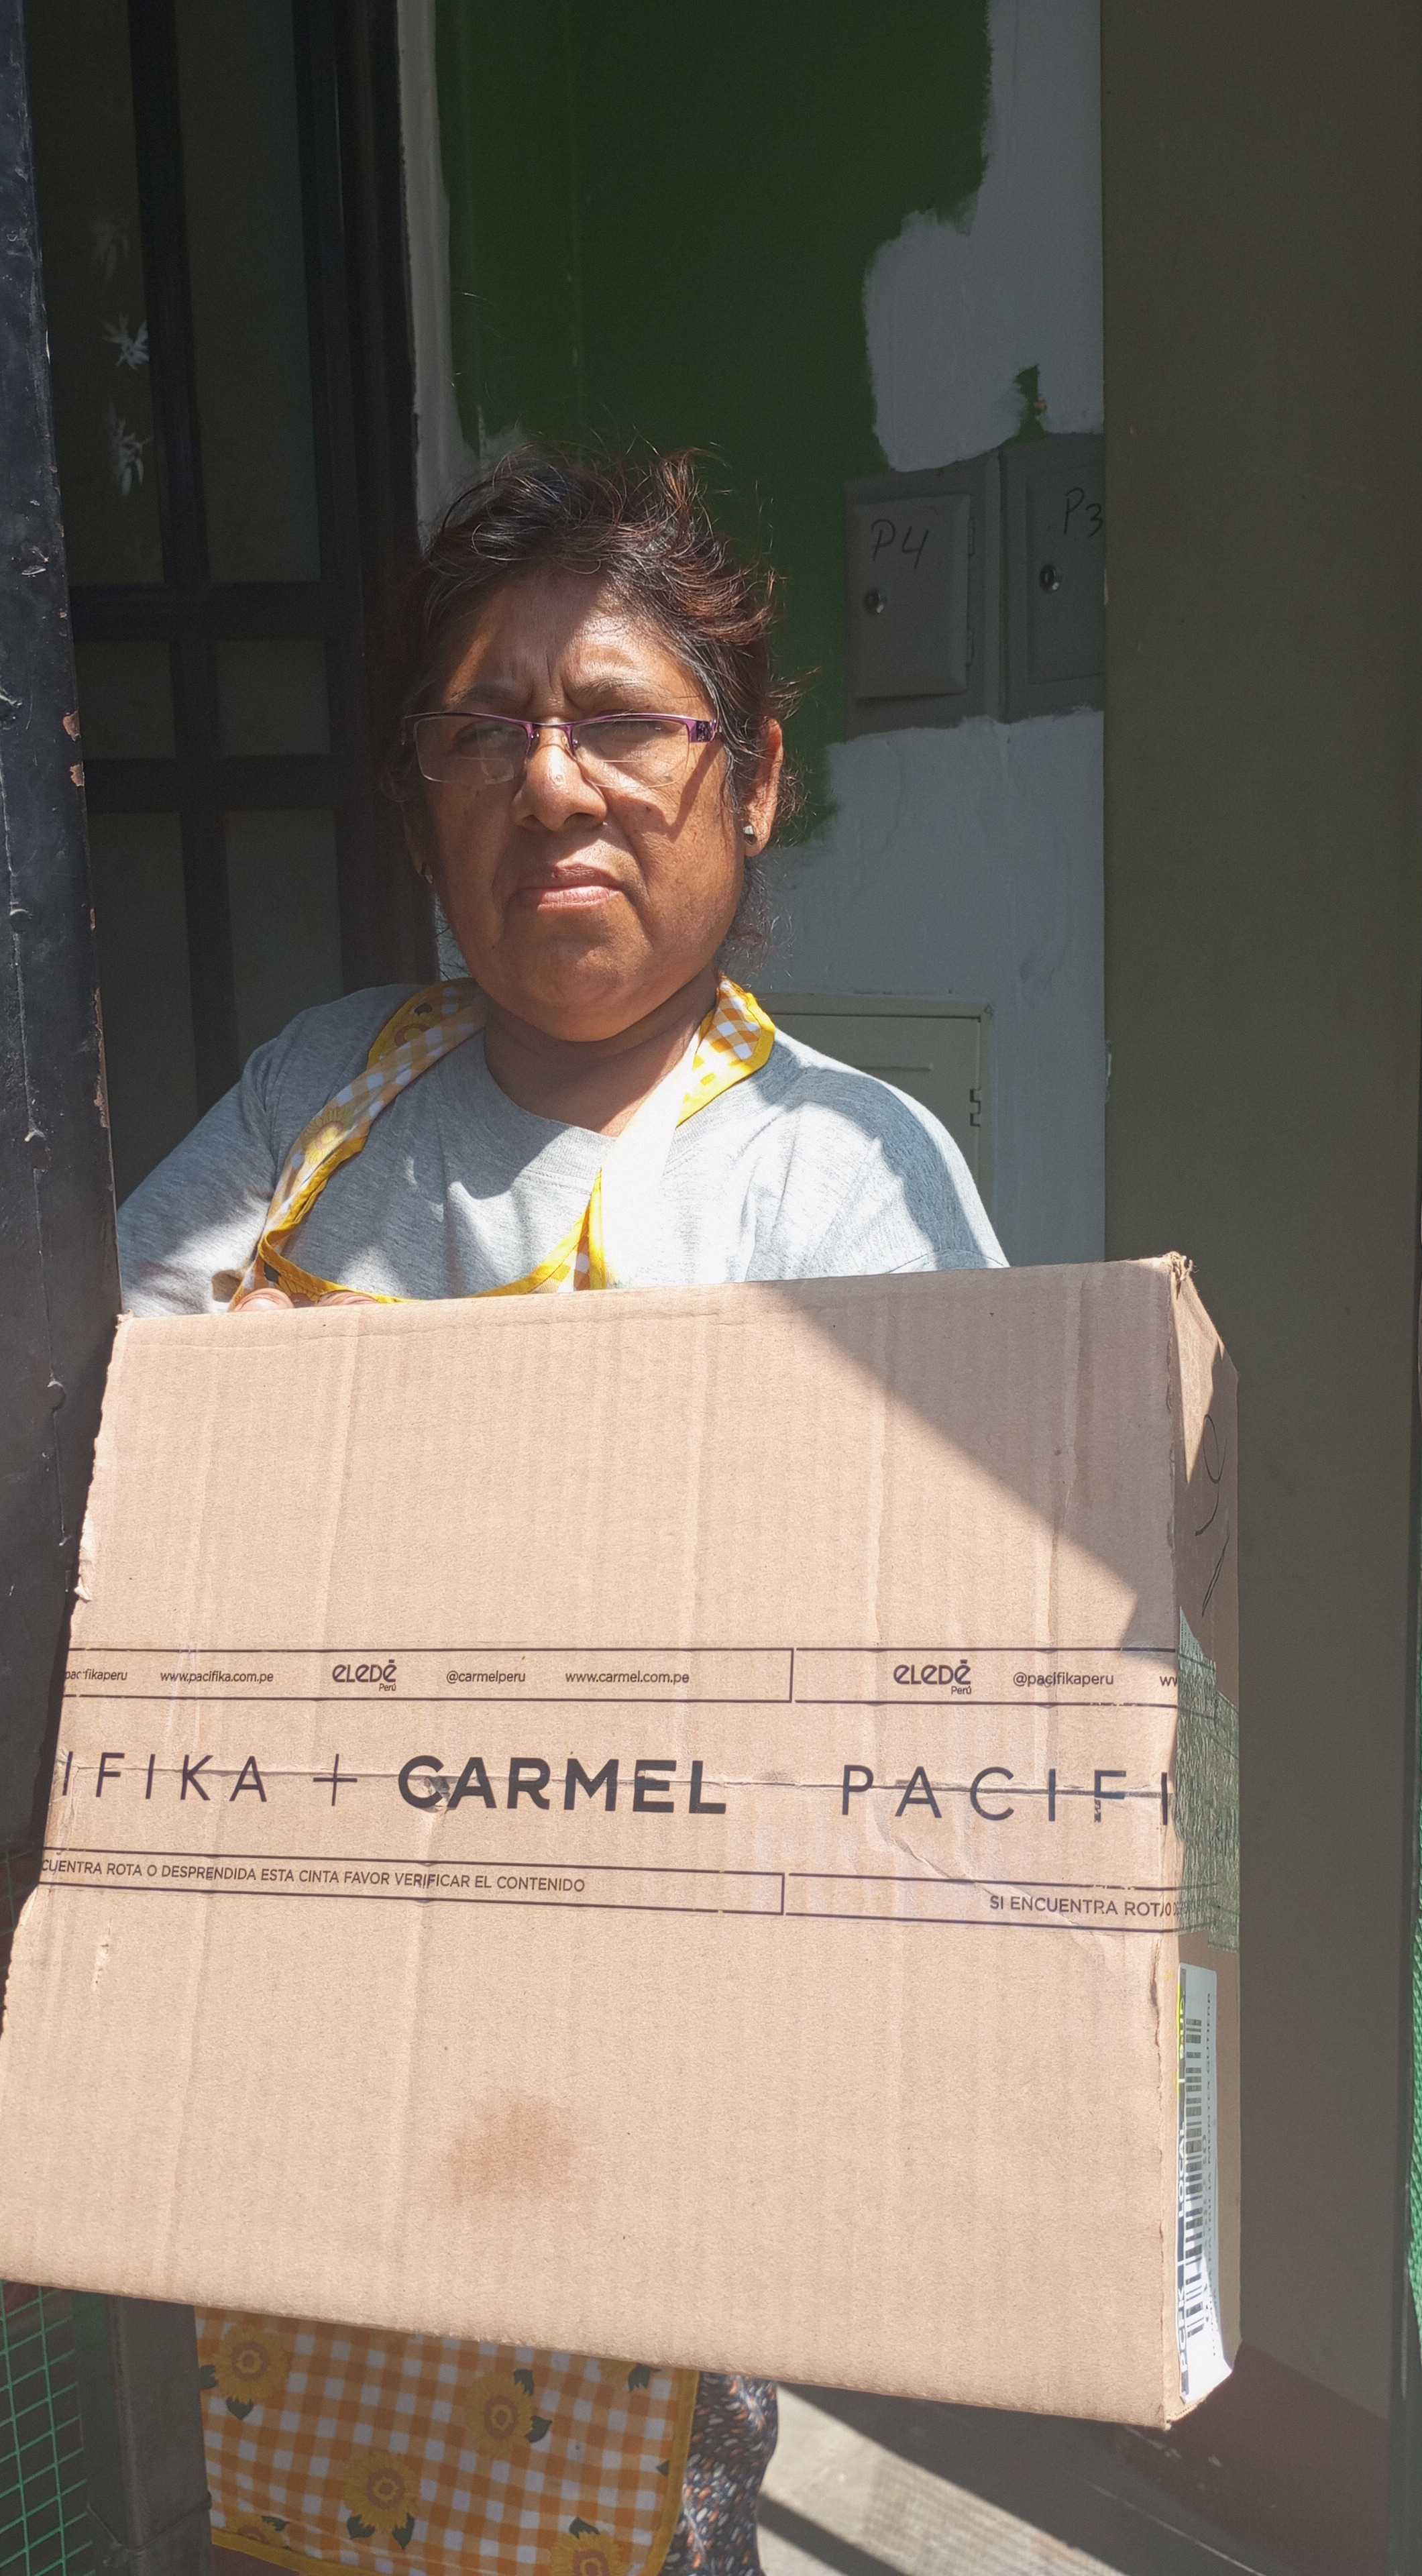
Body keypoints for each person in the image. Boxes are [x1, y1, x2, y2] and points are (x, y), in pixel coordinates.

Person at [119, 448, 1005, 2576]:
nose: (548, 783)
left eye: (616, 720)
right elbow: (127, 1438)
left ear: (750, 780)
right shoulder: (313, 1101)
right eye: (478, 732)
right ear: (421, 805)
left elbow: (955, 1670)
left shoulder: (844, 1184)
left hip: (647, 2115)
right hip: (313, 2070)